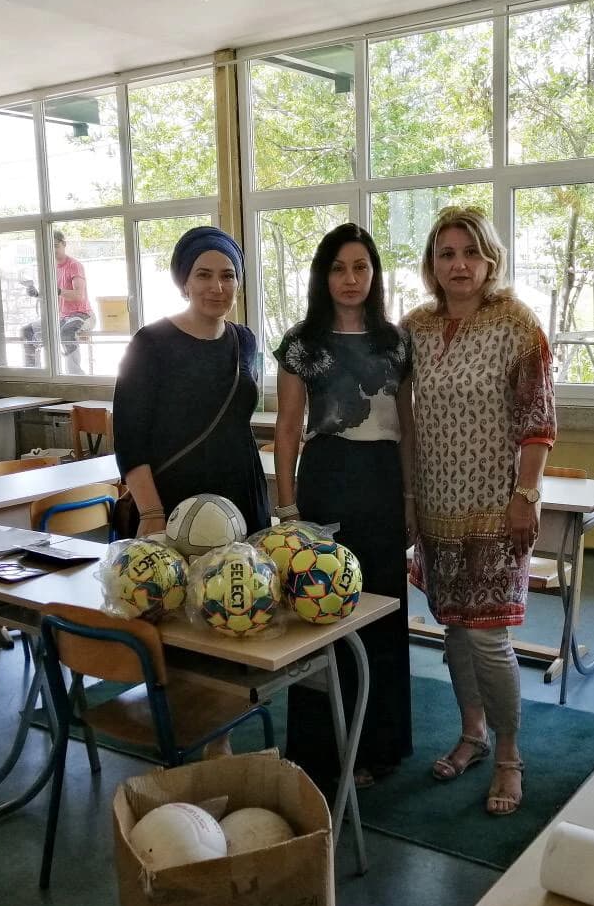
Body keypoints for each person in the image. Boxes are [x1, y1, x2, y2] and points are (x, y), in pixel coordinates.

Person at [405, 206, 556, 817]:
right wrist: (410, 500)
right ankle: (472, 733)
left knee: (489, 638)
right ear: (432, 264)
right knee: (455, 631)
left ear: (490, 259)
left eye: (471, 252)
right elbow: (403, 413)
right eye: (446, 254)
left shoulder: (516, 324)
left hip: (497, 508)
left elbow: (538, 421)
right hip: (437, 509)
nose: (459, 265)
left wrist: (526, 496)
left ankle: (509, 755)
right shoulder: (415, 328)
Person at [274, 223, 414, 792]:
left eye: (361, 267)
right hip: (326, 480)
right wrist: (286, 508)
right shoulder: (302, 342)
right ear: (323, 276)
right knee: (321, 608)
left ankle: (380, 745)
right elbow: (287, 428)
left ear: (374, 274)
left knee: (381, 609)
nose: (350, 279)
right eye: (338, 268)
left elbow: (407, 427)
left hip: (382, 483)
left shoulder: (396, 342)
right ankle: (322, 750)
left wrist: (409, 498)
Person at [112, 226, 270, 543]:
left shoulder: (245, 340)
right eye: (203, 275)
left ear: (238, 283)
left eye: (227, 276)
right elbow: (129, 439)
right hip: (174, 501)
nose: (217, 287)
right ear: (185, 283)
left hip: (243, 494)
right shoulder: (151, 343)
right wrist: (151, 513)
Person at [21, 229, 92, 374]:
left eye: (55, 246)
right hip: (61, 317)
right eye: (49, 247)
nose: (53, 250)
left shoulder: (74, 265)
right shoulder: (50, 267)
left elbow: (79, 295)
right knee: (27, 331)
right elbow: (50, 294)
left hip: (81, 314)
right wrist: (36, 293)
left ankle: (75, 376)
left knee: (66, 331)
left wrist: (57, 290)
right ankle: (33, 373)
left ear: (64, 244)